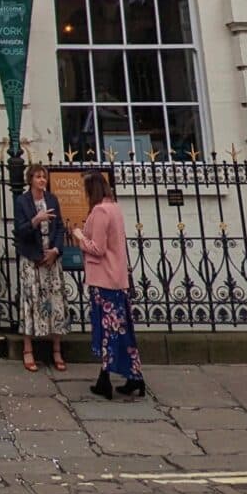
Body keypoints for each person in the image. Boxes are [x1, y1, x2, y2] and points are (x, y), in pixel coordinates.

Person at [71, 170, 144, 400]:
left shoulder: (101, 211)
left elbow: (98, 248)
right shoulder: (115, 208)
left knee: (106, 333)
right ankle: (134, 377)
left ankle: (106, 381)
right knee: (121, 332)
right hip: (117, 279)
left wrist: (79, 237)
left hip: (104, 280)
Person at [14, 164, 69, 373]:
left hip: (51, 258)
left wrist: (56, 250)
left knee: (55, 303)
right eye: (38, 177)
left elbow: (60, 227)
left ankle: (57, 350)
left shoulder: (52, 199)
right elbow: (21, 231)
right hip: (32, 259)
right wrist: (36, 219)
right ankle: (28, 349)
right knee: (30, 302)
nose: (42, 180)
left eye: (44, 177)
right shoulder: (22, 201)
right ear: (30, 179)